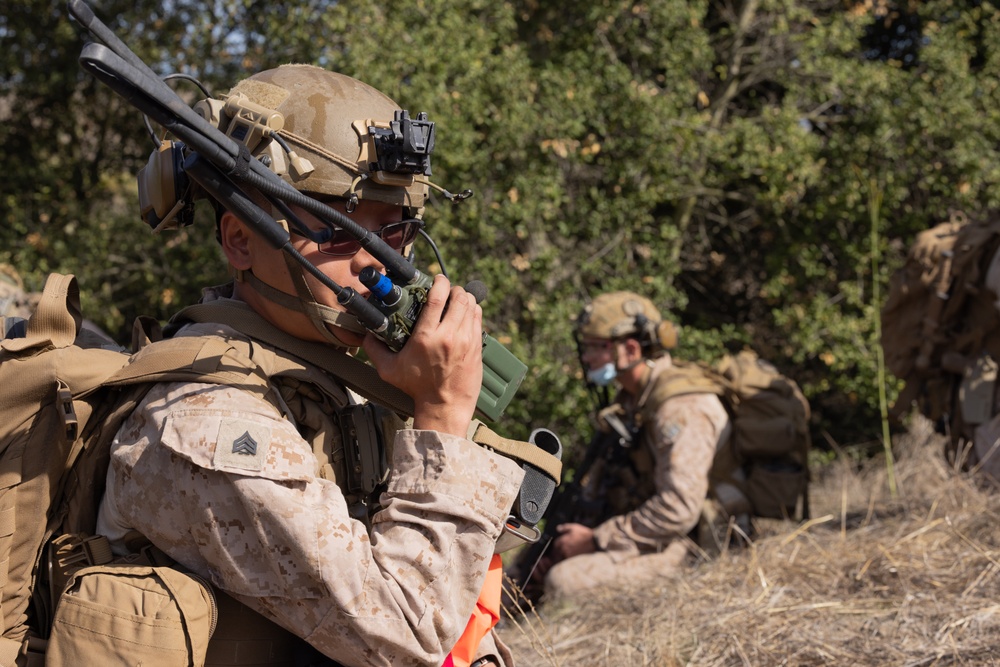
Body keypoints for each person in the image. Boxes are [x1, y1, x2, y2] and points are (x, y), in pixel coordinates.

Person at [95, 64, 525, 667]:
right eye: (342, 224)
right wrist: (443, 414)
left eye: (396, 226)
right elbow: (403, 638)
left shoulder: (328, 376)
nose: (379, 261)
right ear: (241, 240)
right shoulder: (208, 421)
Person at [537, 291, 731, 599]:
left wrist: (597, 540)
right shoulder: (632, 400)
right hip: (652, 531)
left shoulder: (681, 407)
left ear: (629, 349)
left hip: (694, 542)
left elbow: (679, 509)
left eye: (594, 347)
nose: (585, 358)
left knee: (565, 581)